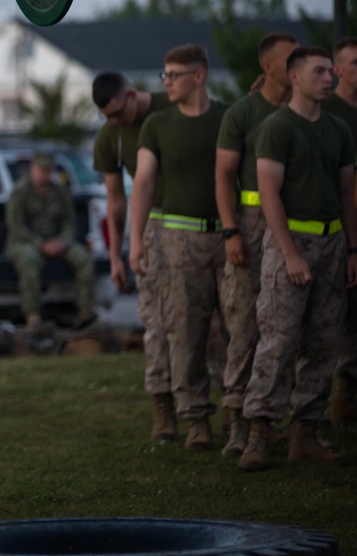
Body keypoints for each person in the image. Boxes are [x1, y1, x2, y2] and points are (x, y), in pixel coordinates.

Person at [238, 46, 357, 471]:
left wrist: (352, 248)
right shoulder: (277, 128)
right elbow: (268, 194)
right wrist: (289, 253)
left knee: (325, 343)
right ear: (295, 77)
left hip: (332, 244)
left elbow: (347, 192)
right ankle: (258, 433)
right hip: (292, 243)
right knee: (279, 339)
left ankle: (305, 433)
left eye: (331, 71)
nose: (330, 78)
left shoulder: (339, 130)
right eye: (320, 71)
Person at [130, 44, 228, 452]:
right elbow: (143, 183)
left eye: (174, 75)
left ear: (199, 76)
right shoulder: (157, 125)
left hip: (228, 234)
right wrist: (136, 240)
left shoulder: (227, 118)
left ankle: (242, 416)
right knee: (184, 329)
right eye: (164, 75)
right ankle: (196, 417)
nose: (166, 82)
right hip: (178, 238)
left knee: (236, 331)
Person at [214, 32, 298, 457]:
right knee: (244, 324)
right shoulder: (244, 112)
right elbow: (224, 175)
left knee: (284, 327)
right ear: (268, 67)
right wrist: (231, 230)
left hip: (299, 226)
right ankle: (237, 423)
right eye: (290, 59)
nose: (298, 64)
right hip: (250, 225)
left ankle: (275, 419)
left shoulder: (308, 113)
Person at [91, 72, 174, 439]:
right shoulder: (110, 137)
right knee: (156, 323)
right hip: (151, 229)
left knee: (214, 324)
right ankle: (164, 409)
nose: (114, 122)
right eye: (106, 117)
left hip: (196, 222)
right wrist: (116, 256)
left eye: (117, 113)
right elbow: (116, 201)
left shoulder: (171, 105)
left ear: (132, 95)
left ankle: (225, 412)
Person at [5, 152, 95, 330]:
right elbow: (16, 227)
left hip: (57, 241)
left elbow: (69, 223)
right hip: (25, 242)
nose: (44, 174)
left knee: (83, 258)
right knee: (29, 260)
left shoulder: (60, 192)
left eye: (47, 170)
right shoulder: (19, 192)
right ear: (32, 169)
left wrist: (63, 241)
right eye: (40, 169)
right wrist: (41, 244)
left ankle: (85, 311)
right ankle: (33, 315)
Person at [324, 37, 357, 428]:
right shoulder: (327, 112)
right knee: (341, 321)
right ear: (338, 70)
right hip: (339, 226)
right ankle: (344, 405)